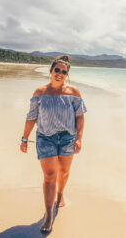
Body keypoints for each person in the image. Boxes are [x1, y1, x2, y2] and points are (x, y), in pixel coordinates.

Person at [20, 55, 87, 233]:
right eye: (57, 70)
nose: (60, 73)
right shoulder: (40, 92)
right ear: (51, 71)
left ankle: (61, 194)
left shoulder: (74, 93)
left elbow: (80, 117)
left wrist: (79, 138)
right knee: (50, 175)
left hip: (67, 138)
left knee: (63, 172)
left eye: (64, 72)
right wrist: (25, 138)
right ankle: (49, 216)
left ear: (67, 75)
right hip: (45, 138)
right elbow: (31, 117)